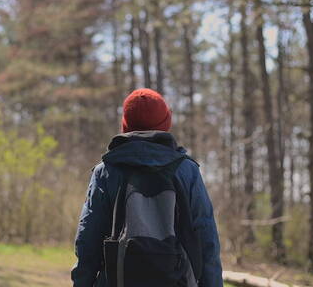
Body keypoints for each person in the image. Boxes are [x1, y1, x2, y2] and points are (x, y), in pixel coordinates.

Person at [71, 88, 223, 287]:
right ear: (165, 124)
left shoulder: (106, 171)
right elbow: (207, 240)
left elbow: (87, 241)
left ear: (125, 125)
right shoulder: (186, 170)